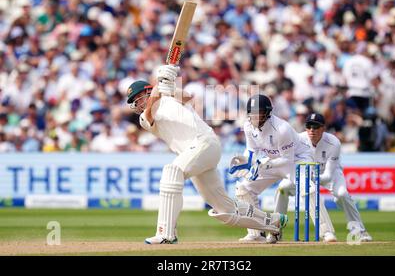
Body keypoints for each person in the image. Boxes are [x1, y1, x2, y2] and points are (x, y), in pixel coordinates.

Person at [126, 65, 287, 244]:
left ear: (148, 91)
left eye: (141, 97)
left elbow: (188, 97)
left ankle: (166, 234)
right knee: (224, 209)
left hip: (205, 142)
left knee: (172, 171)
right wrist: (158, 88)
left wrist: (169, 87)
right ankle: (274, 222)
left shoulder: (170, 97)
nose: (139, 102)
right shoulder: (144, 118)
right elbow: (149, 114)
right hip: (194, 156)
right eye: (136, 101)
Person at [229, 95, 336, 243]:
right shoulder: (248, 126)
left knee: (308, 189)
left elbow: (287, 159)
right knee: (243, 188)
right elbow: (251, 150)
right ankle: (256, 233)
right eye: (251, 112)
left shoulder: (282, 129)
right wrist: (245, 162)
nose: (254, 116)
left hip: (298, 159)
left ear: (266, 112)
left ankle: (327, 232)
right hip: (273, 160)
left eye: (258, 112)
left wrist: (262, 164)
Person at [299, 113, 372, 242]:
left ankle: (359, 231)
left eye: (315, 126)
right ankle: (275, 230)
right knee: (285, 188)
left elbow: (327, 176)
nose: (311, 130)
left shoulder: (333, 142)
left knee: (342, 194)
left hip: (330, 172)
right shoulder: (299, 140)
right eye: (309, 126)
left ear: (323, 128)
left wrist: (313, 178)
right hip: (309, 171)